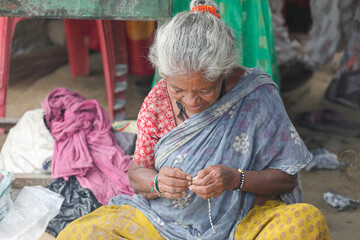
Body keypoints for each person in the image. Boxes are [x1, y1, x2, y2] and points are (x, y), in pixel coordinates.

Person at [57, 1, 330, 239]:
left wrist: (235, 178)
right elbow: (137, 172)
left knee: (306, 222)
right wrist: (157, 183)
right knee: (79, 234)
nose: (191, 100)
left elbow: (286, 180)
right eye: (178, 90)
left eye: (204, 90)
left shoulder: (257, 96)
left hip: (243, 221)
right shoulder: (158, 100)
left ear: (224, 72)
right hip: (162, 224)